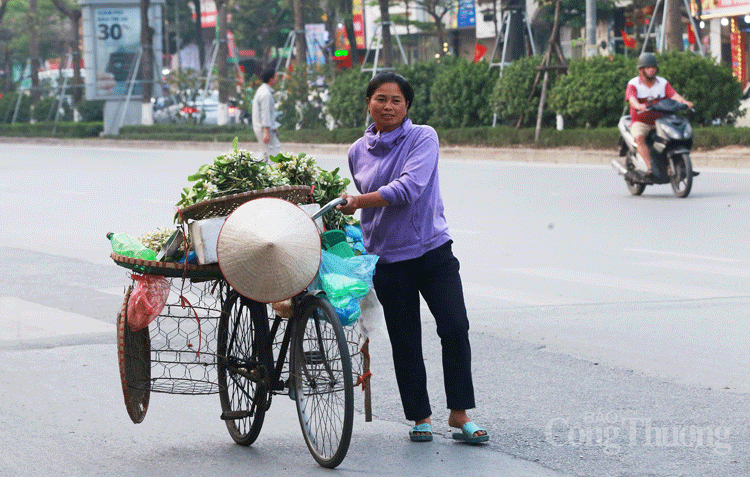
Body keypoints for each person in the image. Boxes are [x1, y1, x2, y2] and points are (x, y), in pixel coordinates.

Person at [337, 71, 489, 444]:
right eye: (380, 99)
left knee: (454, 327)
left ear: (407, 107)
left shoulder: (423, 137)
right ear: (368, 103)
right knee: (405, 340)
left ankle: (459, 413)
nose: (388, 106)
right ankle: (420, 417)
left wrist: (358, 201)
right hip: (388, 259)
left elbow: (408, 188)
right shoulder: (358, 150)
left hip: (432, 251)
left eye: (396, 101)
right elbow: (375, 204)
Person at [626, 52, 693, 178]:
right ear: (641, 70)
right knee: (639, 138)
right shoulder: (633, 84)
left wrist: (684, 102)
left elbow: (674, 95)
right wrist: (638, 105)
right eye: (648, 68)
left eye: (653, 67)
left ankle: (681, 163)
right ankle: (650, 168)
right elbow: (632, 99)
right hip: (641, 121)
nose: (652, 70)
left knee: (675, 136)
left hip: (661, 120)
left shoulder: (662, 83)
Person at [252, 67, 281, 162]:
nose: (277, 78)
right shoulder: (266, 94)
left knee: (265, 155)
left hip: (263, 128)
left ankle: (256, 174)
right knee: (275, 152)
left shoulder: (263, 91)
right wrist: (266, 131)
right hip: (264, 129)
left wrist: (274, 126)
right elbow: (265, 114)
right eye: (276, 76)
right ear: (271, 79)